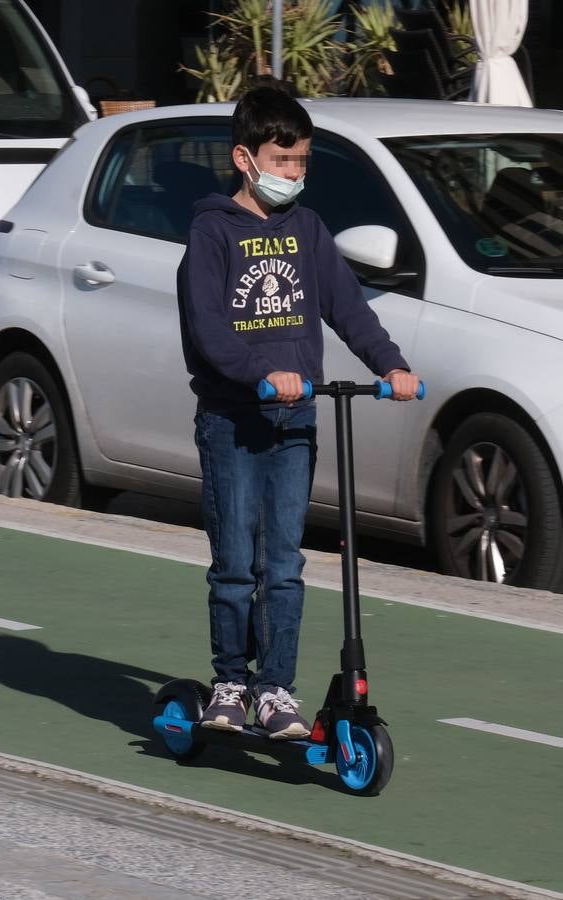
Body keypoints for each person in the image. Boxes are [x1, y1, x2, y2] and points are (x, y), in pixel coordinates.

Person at [176, 84, 420, 739]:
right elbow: (209, 332)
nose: (294, 175)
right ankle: (231, 680)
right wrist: (264, 373)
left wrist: (389, 366)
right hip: (233, 421)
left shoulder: (307, 231)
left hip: (296, 425)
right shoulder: (211, 233)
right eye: (282, 162)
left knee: (284, 564)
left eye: (302, 162)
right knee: (235, 563)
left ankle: (275, 691)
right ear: (244, 159)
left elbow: (349, 309)